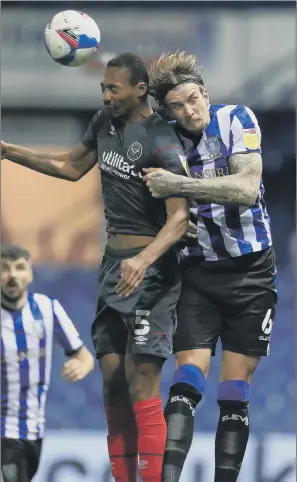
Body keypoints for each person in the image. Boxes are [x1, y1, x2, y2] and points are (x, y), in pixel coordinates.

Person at [1, 53, 190, 482]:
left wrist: (143, 260)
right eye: (102, 88)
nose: (105, 95)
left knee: (142, 382)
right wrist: (8, 151)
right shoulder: (103, 124)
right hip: (112, 269)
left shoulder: (161, 137)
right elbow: (69, 166)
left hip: (152, 271)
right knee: (111, 385)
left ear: (140, 89)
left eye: (113, 89)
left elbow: (179, 218)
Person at [143, 51, 277, 482]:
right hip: (198, 272)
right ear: (168, 111)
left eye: (194, 99)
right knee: (185, 385)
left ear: (206, 93)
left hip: (252, 272)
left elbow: (245, 187)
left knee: (234, 393)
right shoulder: (161, 139)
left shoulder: (237, 119)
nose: (189, 111)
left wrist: (178, 184)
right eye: (178, 106)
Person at [1, 244, 94, 482]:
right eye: (4, 269)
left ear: (30, 274)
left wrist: (80, 366)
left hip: (33, 428)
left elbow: (84, 355)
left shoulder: (47, 308)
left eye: (19, 268)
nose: (12, 275)